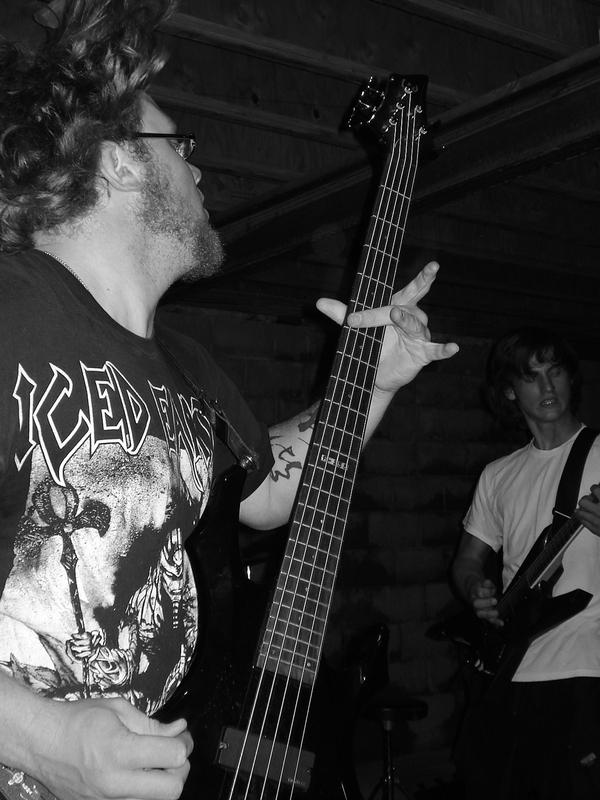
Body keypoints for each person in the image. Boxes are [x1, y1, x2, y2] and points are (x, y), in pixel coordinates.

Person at [0, 2, 458, 799]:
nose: (199, 168)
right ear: (118, 161)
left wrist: (372, 383)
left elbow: (263, 496)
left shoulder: (191, 369)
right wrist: (49, 741)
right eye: (180, 145)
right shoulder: (12, 311)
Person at [451, 326, 600, 800]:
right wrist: (476, 590)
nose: (548, 386)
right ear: (510, 391)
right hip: (513, 668)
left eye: (555, 371)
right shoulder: (498, 476)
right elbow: (467, 561)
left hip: (587, 666)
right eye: (531, 377)